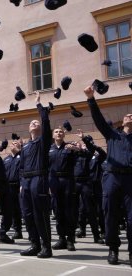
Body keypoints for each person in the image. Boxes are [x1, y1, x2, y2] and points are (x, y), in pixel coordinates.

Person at [84, 85, 132, 266]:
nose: (129, 116)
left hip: (130, 179)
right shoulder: (113, 135)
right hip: (112, 177)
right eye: (127, 115)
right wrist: (90, 99)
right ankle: (113, 248)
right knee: (110, 214)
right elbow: (99, 120)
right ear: (122, 122)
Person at [19, 91, 53, 258]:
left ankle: (47, 246)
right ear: (28, 128)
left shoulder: (43, 141)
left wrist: (39, 105)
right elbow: (21, 166)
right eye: (31, 122)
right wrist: (21, 183)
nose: (34, 123)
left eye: (36, 122)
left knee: (40, 214)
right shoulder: (25, 146)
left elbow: (46, 123)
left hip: (39, 178)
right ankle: (34, 244)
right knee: (28, 214)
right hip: (26, 181)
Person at [48, 127, 80, 251]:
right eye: (56, 132)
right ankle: (61, 238)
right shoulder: (49, 149)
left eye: (61, 132)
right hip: (54, 181)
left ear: (64, 135)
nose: (59, 133)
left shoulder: (69, 147)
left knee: (69, 211)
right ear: (53, 135)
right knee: (58, 211)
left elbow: (84, 155)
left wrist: (76, 149)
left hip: (68, 181)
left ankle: (70, 239)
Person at [3, 140, 23, 240]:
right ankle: (17, 230)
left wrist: (20, 152)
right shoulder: (6, 159)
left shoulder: (22, 157)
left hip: (19, 186)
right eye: (12, 144)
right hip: (8, 187)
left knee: (20, 209)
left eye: (16, 144)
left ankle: (25, 229)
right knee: (11, 210)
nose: (13, 145)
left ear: (20, 146)